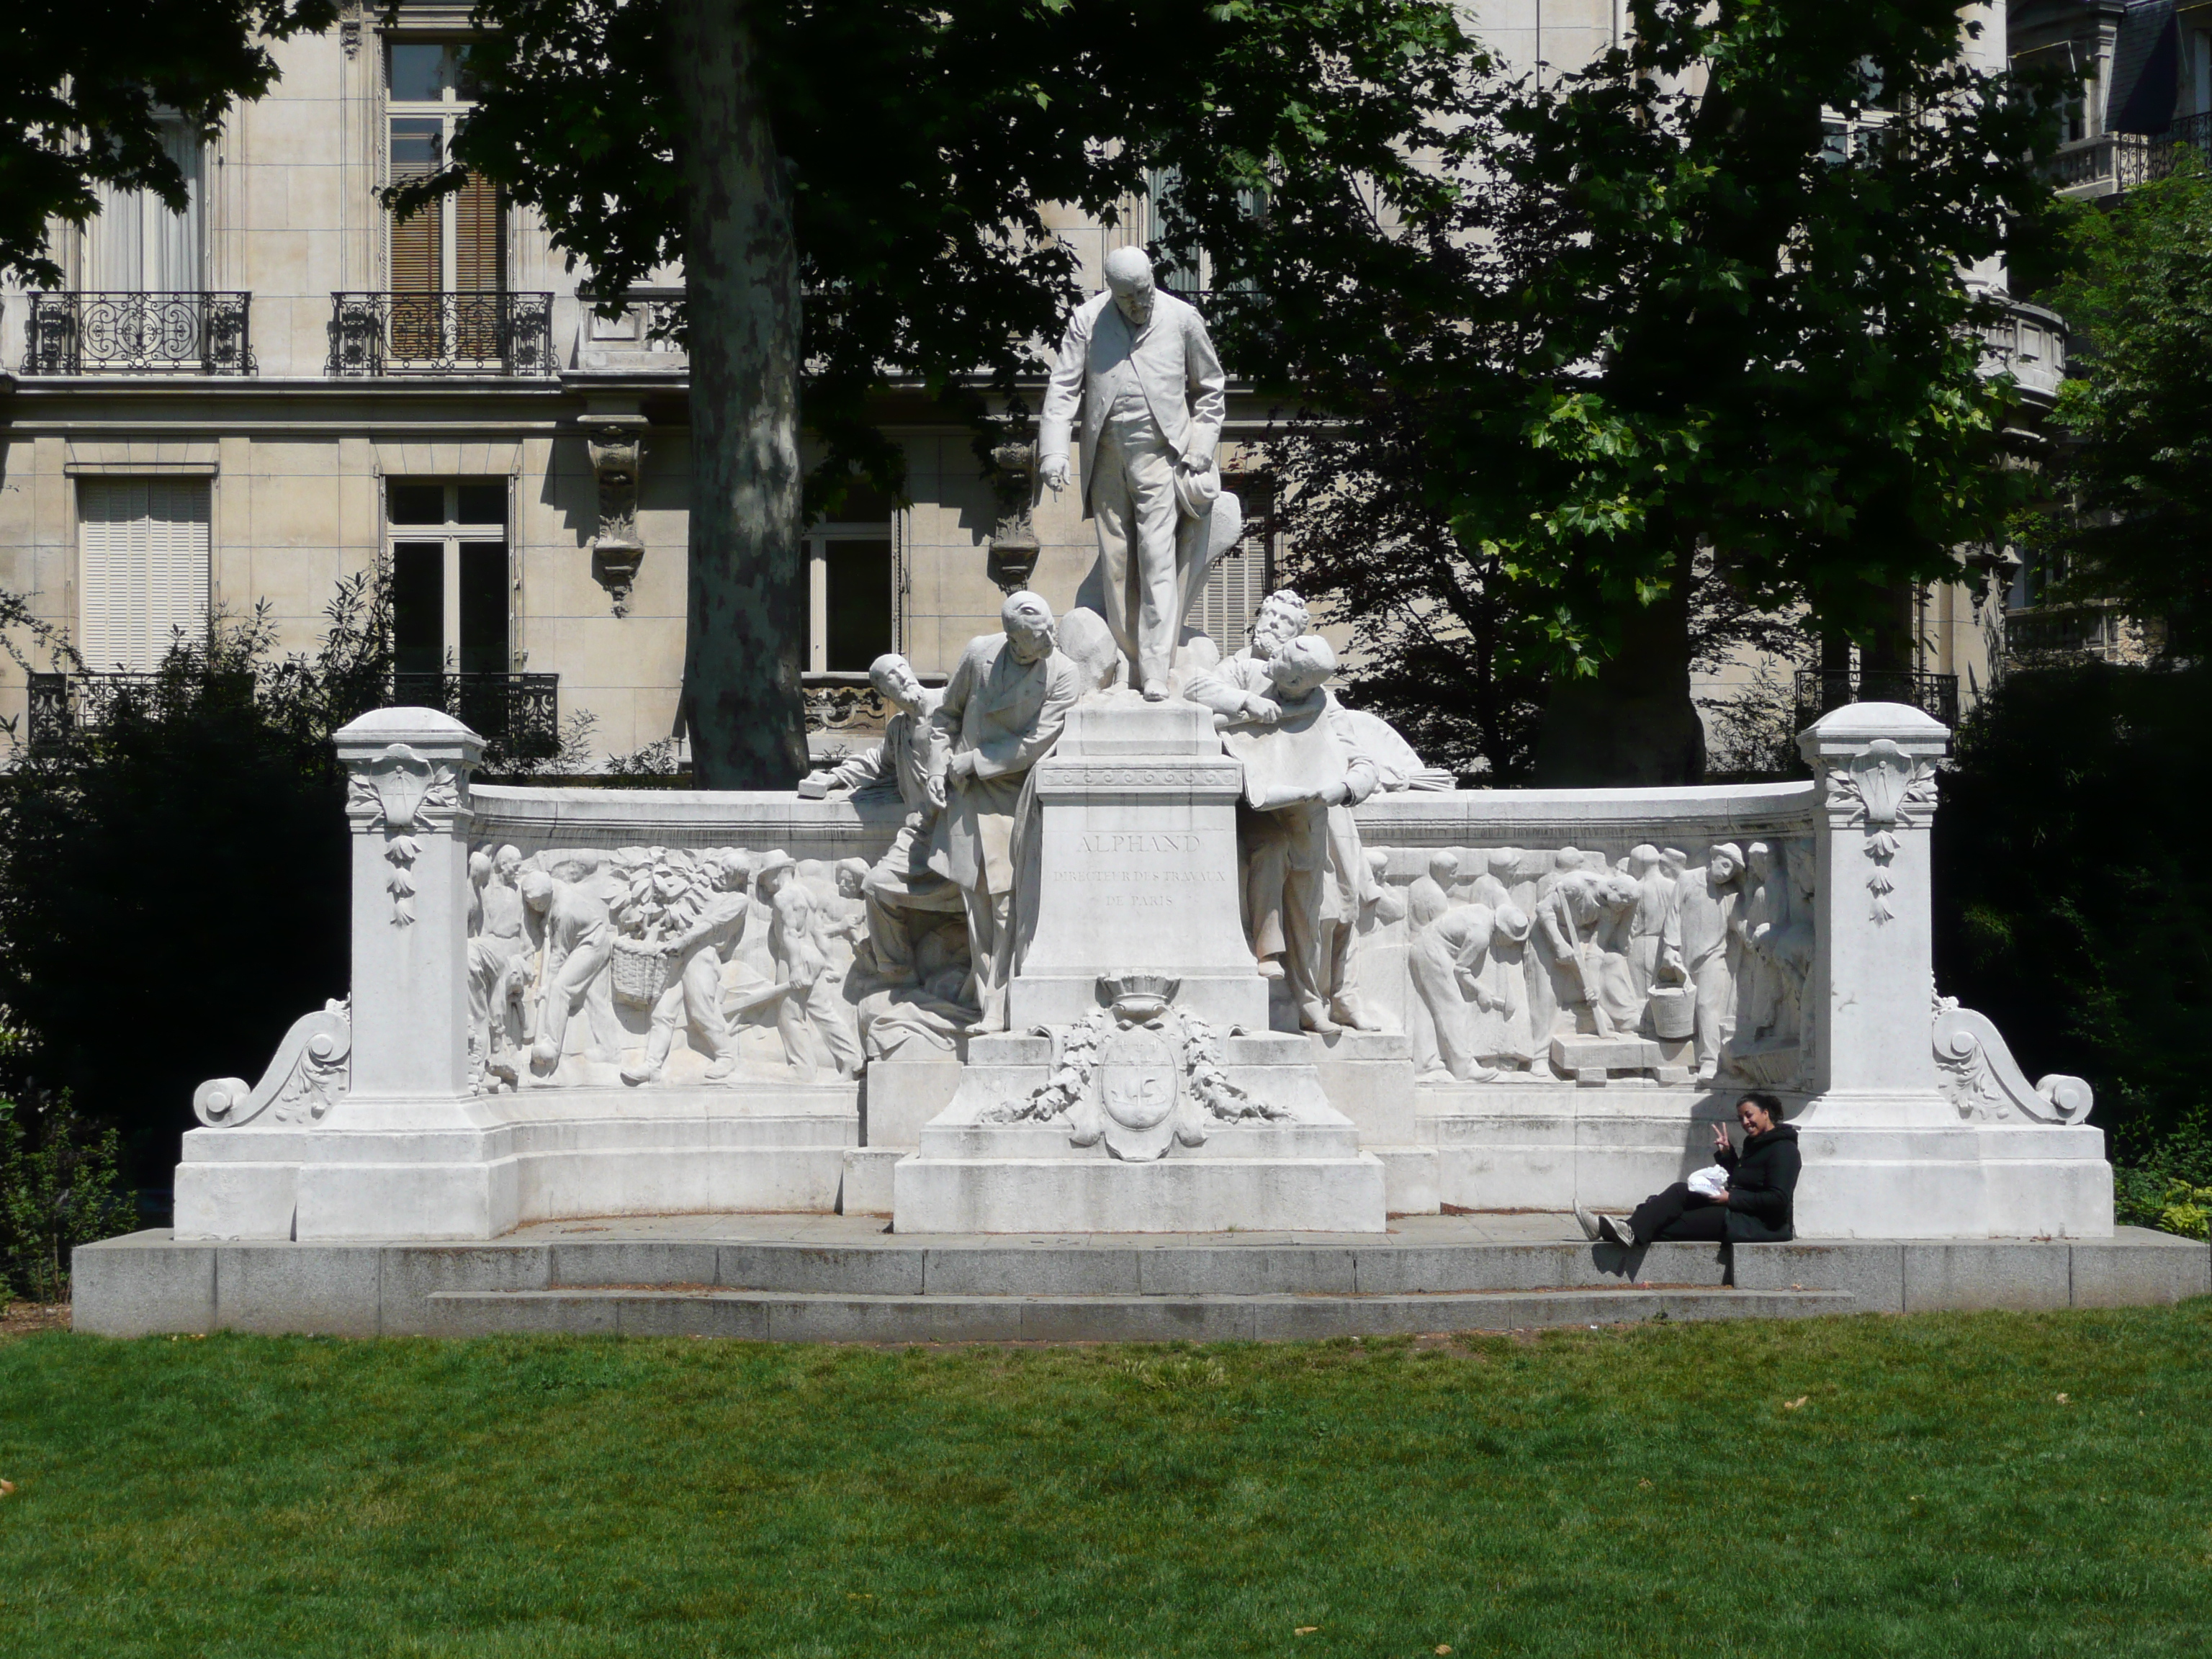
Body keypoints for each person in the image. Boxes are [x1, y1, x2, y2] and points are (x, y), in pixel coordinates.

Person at [1038, 245, 1227, 698]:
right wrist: (1054, 453)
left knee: (1157, 560)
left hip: (1160, 456)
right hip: (1105, 456)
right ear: (1112, 291)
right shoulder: (1087, 320)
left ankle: (1158, 670)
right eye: (1128, 298)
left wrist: (1202, 446)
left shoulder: (1183, 318)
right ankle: (1132, 661)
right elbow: (1063, 389)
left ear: (1151, 280)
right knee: (1117, 564)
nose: (1139, 304)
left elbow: (1211, 390)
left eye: (1143, 293)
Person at [929, 591, 1079, 1030]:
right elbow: (944, 717)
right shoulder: (980, 654)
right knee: (977, 905)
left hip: (1015, 796)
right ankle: (988, 999)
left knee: (1007, 904)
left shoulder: (1064, 675)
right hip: (967, 795)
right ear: (1014, 639)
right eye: (1036, 640)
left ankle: (1002, 1005)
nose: (1048, 643)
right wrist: (939, 768)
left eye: (1050, 633)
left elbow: (1037, 742)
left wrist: (974, 761)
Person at [1576, 1092, 1799, 1246]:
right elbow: (1744, 1180)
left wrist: (1729, 1199)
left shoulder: (1784, 1150)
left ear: (1765, 1113)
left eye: (1748, 1115)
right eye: (1740, 1117)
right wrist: (1727, 1155)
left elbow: (1777, 1200)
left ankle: (1621, 1230)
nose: (1744, 1122)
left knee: (1664, 1222)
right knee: (1677, 1193)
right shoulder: (1757, 1145)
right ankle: (1623, 1229)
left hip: (1757, 1225)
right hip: (1736, 1212)